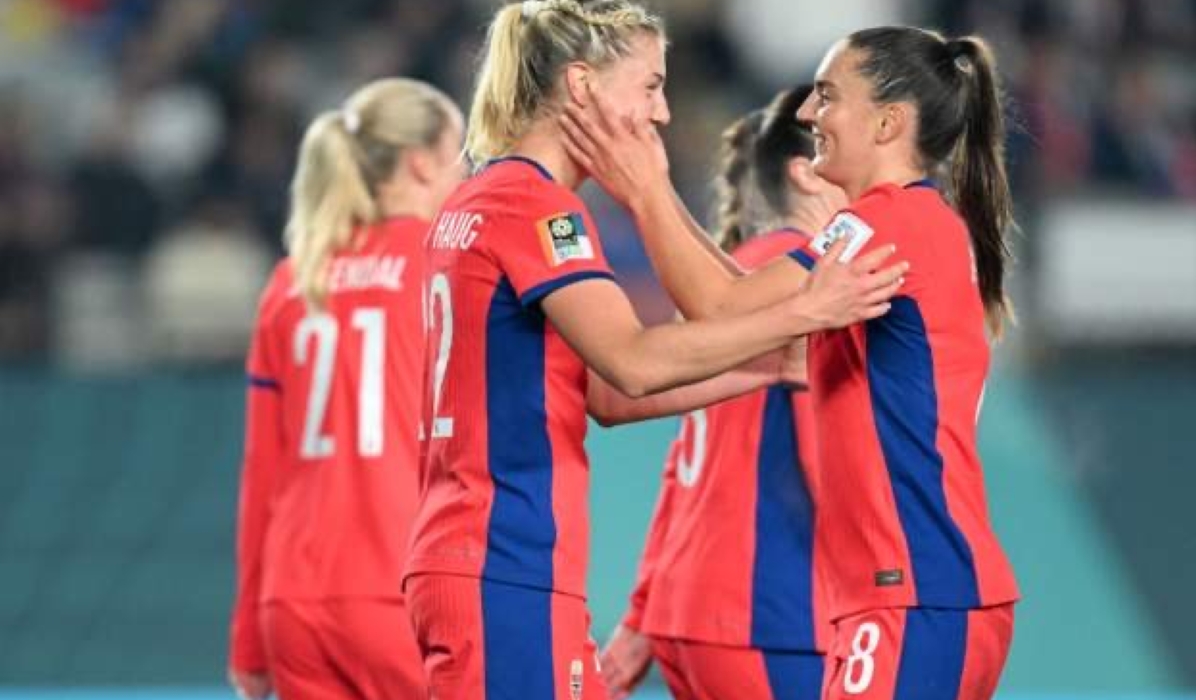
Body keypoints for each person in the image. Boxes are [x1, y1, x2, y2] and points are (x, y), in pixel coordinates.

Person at [400, 3, 907, 699]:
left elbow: (606, 394)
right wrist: (808, 310)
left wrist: (769, 364)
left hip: (484, 557)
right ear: (582, 85)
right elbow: (634, 361)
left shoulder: (485, 199)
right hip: (504, 559)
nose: (663, 112)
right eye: (648, 86)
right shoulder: (535, 208)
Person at [563, 25, 1020, 700]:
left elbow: (722, 308)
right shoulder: (892, 223)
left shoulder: (890, 223)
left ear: (889, 122)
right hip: (902, 593)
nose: (808, 113)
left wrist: (646, 190)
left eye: (829, 96)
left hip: (913, 592)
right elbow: (729, 309)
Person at [600, 84, 848, 700]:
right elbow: (831, 457)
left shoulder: (738, 275)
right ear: (810, 174)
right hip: (778, 612)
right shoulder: (817, 283)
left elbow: (683, 467)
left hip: (694, 612)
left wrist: (641, 613)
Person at [227, 78, 465, 700]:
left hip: (295, 599)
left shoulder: (292, 280)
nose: (467, 176)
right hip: (400, 588)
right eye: (459, 156)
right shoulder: (446, 266)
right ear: (420, 164)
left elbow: (263, 475)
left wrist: (248, 636)